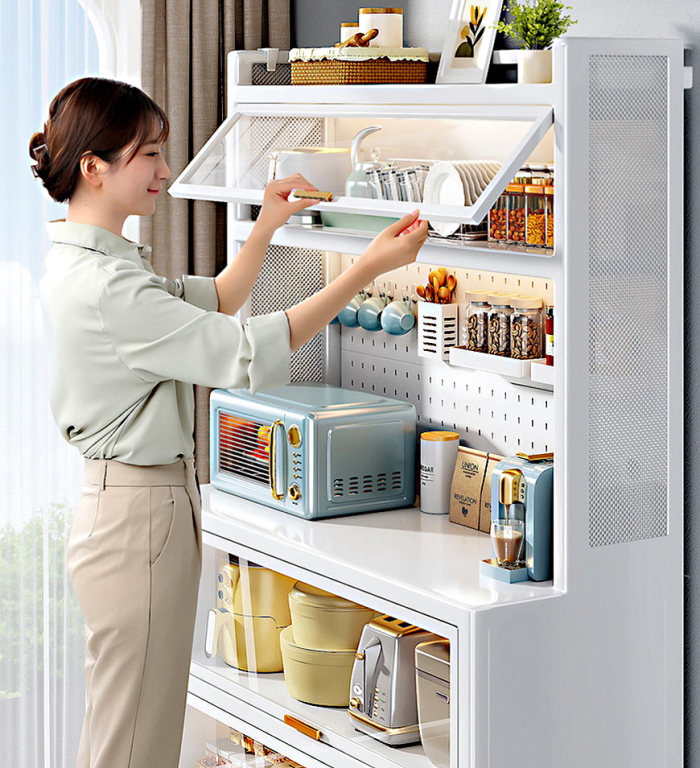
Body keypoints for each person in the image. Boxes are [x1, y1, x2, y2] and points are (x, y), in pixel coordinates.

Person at [30, 76, 428, 768]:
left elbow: (215, 301)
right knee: (135, 747)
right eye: (147, 154)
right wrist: (364, 268)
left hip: (130, 509)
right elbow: (243, 354)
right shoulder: (108, 287)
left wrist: (267, 224)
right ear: (94, 166)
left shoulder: (92, 262)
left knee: (123, 729)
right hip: (137, 518)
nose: (163, 170)